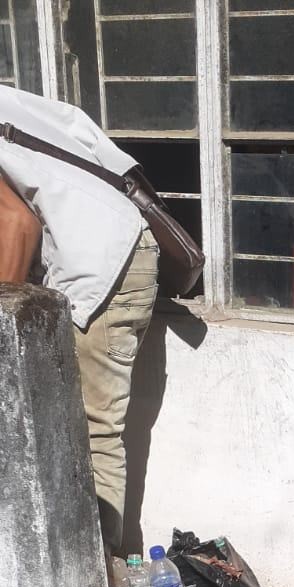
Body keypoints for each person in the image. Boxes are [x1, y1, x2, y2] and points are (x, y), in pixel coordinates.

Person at [0, 85, 158, 554]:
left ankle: (100, 579)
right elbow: (85, 133)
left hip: (101, 267)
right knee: (91, 428)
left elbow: (16, 225)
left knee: (93, 431)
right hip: (119, 246)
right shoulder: (12, 101)